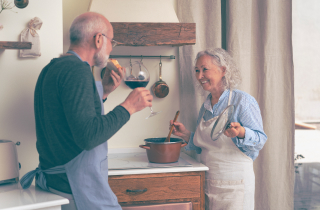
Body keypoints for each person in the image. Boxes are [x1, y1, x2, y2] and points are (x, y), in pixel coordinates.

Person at [19, 12, 153, 210]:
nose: (111, 49)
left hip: (57, 185)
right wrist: (128, 107)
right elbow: (88, 136)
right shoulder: (78, 70)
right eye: (111, 41)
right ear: (99, 39)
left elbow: (67, 117)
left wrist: (104, 91)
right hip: (76, 188)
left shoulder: (52, 68)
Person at [170, 48, 267, 210]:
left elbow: (260, 140)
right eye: (197, 70)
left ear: (223, 70)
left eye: (204, 69)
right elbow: (205, 146)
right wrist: (186, 134)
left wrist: (241, 132)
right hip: (208, 183)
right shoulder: (206, 105)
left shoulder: (242, 100)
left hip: (236, 186)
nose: (199, 76)